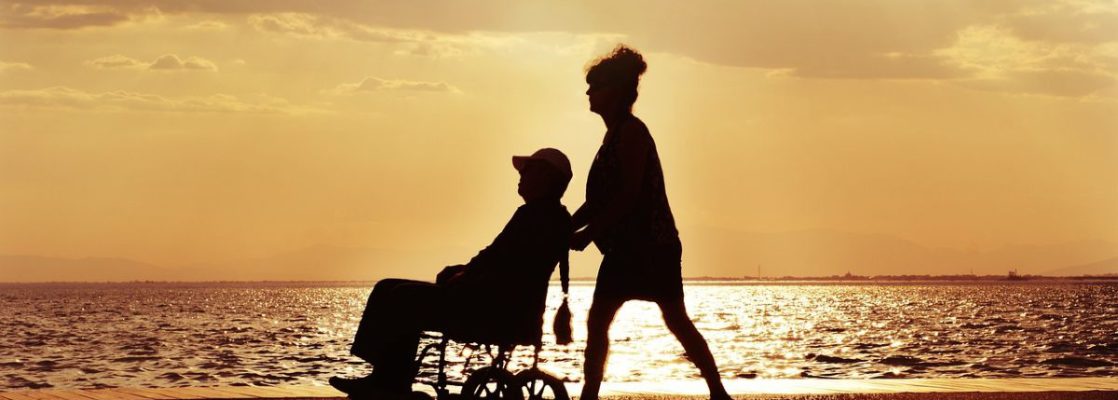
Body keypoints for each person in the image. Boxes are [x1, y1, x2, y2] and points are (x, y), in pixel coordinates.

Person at [330, 148, 574, 398]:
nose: (520, 175)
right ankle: (384, 376)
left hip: (489, 309)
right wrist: (464, 272)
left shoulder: (537, 216)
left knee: (403, 296)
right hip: (493, 303)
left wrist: (464, 277)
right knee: (387, 286)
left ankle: (390, 381)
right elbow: (499, 259)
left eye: (528, 170)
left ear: (546, 176)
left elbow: (502, 264)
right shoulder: (546, 216)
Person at [569, 45, 731, 400]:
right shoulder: (611, 136)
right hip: (623, 249)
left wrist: (587, 233)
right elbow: (597, 201)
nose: (589, 93)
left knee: (674, 321)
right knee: (600, 322)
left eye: (595, 87)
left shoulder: (631, 133)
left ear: (615, 92)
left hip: (651, 248)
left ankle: (718, 391)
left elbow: (627, 195)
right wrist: (568, 225)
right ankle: (590, 393)